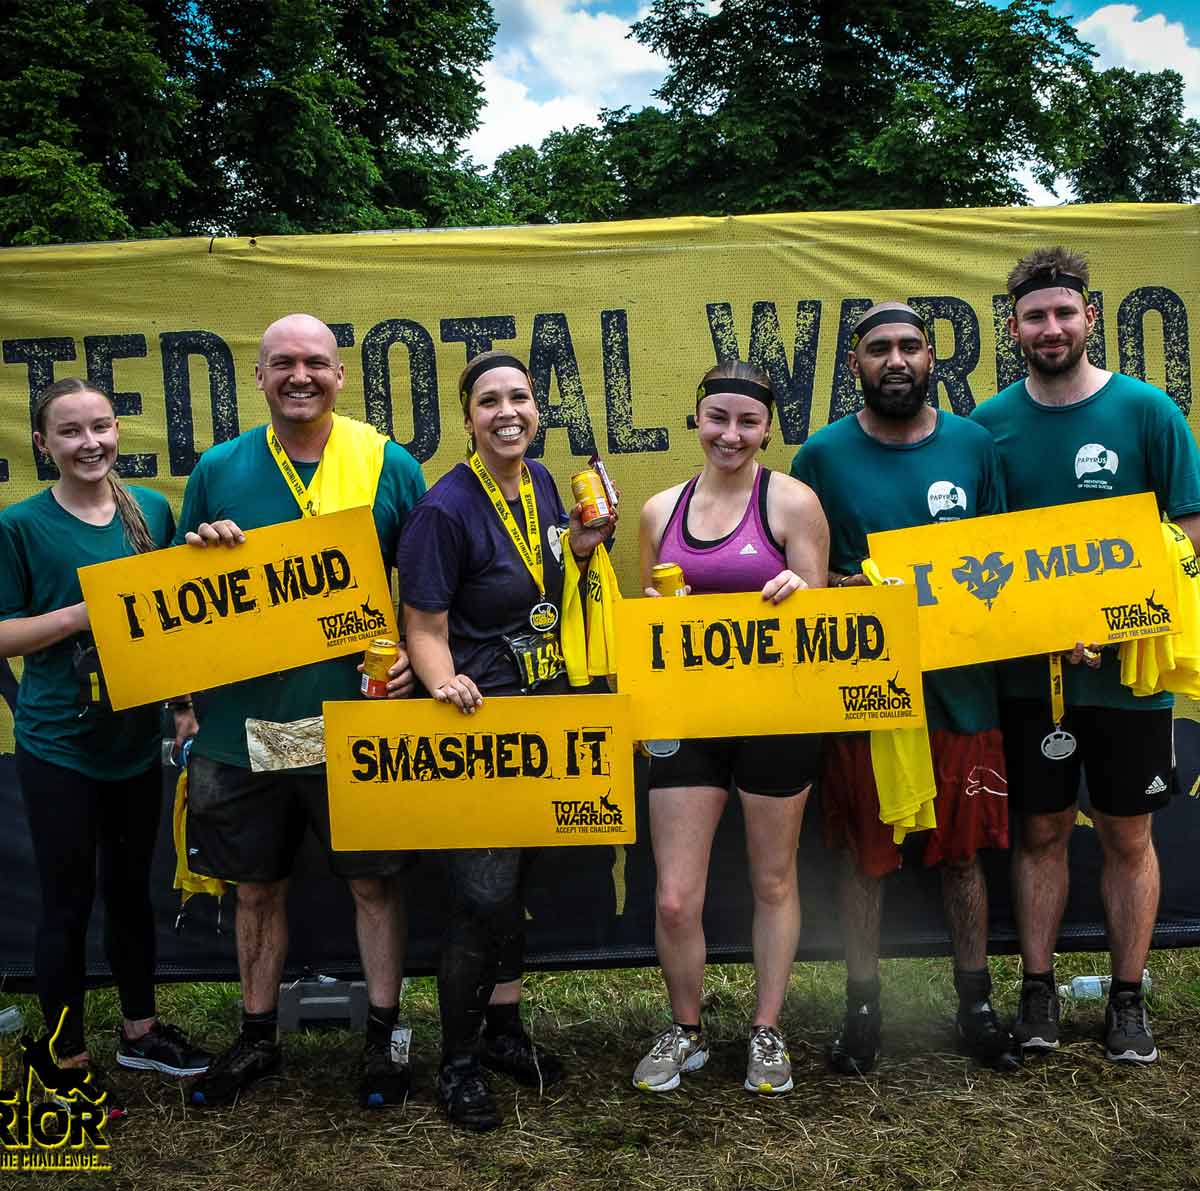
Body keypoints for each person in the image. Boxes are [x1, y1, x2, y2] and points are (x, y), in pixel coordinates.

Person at [178, 314, 426, 1108]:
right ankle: (256, 1041)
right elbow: (181, 601)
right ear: (258, 377)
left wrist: (421, 672)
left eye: (316, 362)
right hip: (239, 723)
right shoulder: (217, 468)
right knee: (254, 888)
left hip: (359, 714)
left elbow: (425, 591)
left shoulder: (389, 463)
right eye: (282, 362)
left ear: (341, 375)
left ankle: (386, 1042)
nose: (300, 375)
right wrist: (204, 551)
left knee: (375, 885)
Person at [972, 248, 1200, 1064]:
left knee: (1127, 834)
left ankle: (1129, 997)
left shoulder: (1148, 411)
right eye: (1035, 316)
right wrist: (1043, 622)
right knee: (1038, 828)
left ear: (1089, 317)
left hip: (1131, 672)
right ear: (1015, 328)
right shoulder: (990, 423)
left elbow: (1190, 532)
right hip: (1032, 675)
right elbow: (982, 557)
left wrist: (1114, 617)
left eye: (1064, 312)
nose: (1051, 327)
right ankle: (1036, 988)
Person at [791, 303, 1016, 1074]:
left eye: (910, 347)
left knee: (962, 856)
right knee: (862, 855)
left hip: (961, 690)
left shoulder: (974, 444)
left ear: (932, 360)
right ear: (854, 363)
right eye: (879, 347)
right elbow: (801, 570)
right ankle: (863, 1010)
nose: (896, 359)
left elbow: (1005, 565)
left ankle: (977, 1005)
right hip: (865, 691)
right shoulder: (820, 455)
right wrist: (838, 586)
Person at [399, 350, 616, 1131]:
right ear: (467, 418)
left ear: (536, 406)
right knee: (480, 895)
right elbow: (421, 625)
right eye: (489, 401)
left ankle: (502, 1031)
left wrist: (585, 546)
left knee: (516, 889)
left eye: (519, 396)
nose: (507, 412)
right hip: (481, 723)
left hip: (547, 716)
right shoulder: (444, 509)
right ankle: (456, 1064)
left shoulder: (546, 482)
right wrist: (439, 677)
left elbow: (548, 576)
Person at [0, 377, 211, 1117]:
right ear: (42, 443)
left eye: (101, 426)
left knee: (131, 892)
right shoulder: (20, 525)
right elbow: (3, 632)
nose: (90, 443)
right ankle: (64, 1059)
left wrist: (183, 705)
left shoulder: (149, 509)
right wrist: (84, 613)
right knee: (67, 903)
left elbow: (170, 618)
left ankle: (140, 1030)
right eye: (70, 432)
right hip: (59, 744)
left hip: (132, 739)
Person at [633, 359, 829, 1096]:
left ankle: (767, 1028)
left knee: (772, 880)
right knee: (675, 897)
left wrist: (800, 594)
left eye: (748, 421)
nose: (732, 434)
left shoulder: (793, 502)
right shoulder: (659, 512)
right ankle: (686, 1028)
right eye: (718, 417)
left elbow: (828, 624)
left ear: (768, 426)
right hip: (689, 718)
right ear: (697, 418)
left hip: (776, 717)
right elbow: (647, 624)